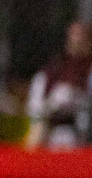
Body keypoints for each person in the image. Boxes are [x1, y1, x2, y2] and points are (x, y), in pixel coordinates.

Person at [26, 20, 91, 149]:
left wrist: (77, 100)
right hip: (51, 130)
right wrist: (52, 104)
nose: (77, 43)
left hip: (82, 135)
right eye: (73, 38)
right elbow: (34, 109)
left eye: (82, 39)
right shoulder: (51, 72)